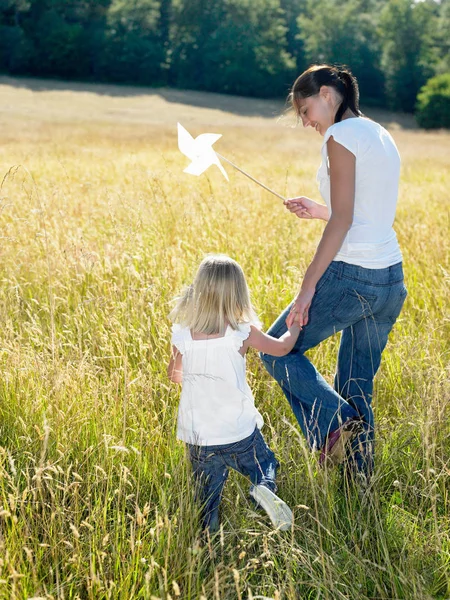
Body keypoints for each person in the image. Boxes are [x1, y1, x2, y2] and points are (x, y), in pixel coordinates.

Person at [261, 64, 407, 480]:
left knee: (275, 348)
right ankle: (359, 483)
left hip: (354, 275)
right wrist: (319, 210)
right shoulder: (378, 132)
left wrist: (307, 290)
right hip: (390, 278)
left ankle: (336, 422)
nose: (306, 121)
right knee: (357, 381)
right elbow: (364, 212)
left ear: (327, 94)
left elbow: (343, 223)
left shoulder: (339, 136)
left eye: (305, 110)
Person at [167, 254, 303, 533]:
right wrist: (295, 326)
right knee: (265, 465)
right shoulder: (241, 332)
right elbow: (281, 348)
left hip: (199, 437)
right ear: (238, 294)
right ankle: (262, 490)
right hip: (239, 431)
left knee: (207, 495)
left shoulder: (183, 336)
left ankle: (209, 538)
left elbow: (175, 376)